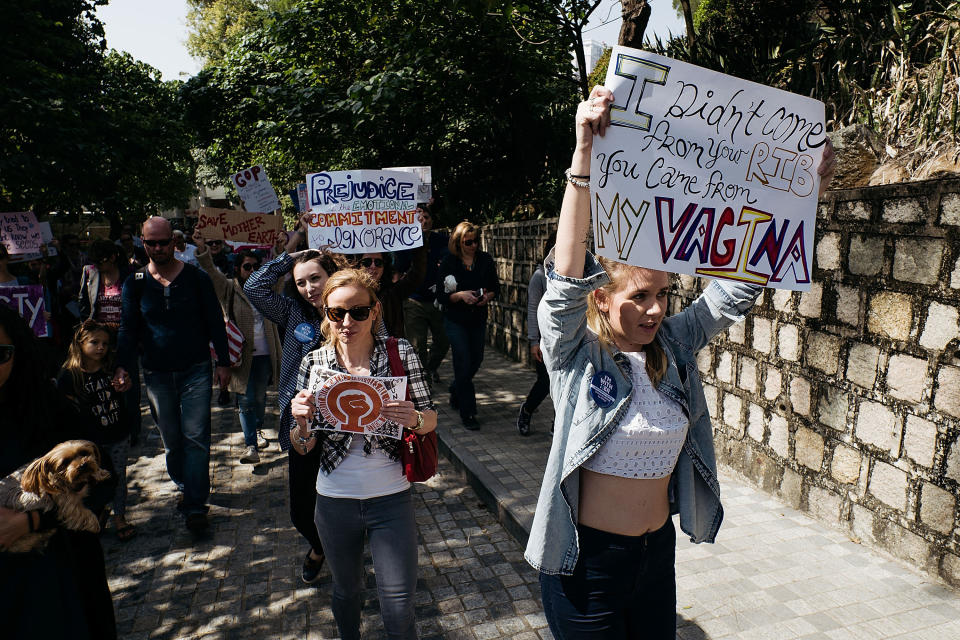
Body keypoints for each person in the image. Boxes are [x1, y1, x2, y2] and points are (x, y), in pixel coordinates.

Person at [525, 86, 837, 639]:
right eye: (639, 296)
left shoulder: (673, 344)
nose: (654, 310)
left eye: (663, 295)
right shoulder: (577, 354)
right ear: (601, 296)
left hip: (655, 557)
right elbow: (565, 276)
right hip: (587, 563)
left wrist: (804, 195)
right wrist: (582, 156)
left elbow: (737, 287)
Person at [290, 268, 437, 640]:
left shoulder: (400, 352)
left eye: (357, 311)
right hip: (335, 498)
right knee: (346, 591)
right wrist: (302, 422)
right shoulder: (314, 363)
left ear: (375, 312)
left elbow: (432, 419)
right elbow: (302, 446)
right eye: (336, 312)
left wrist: (415, 418)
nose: (347, 321)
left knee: (399, 603)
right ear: (326, 314)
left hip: (391, 496)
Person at [0, 306, 117, 639]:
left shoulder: (49, 409)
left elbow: (103, 479)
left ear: (19, 353)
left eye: (0, 354)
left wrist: (31, 521)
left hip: (59, 586)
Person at [113, 216, 231, 533]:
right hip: (156, 373)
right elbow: (128, 328)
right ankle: (184, 482)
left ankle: (195, 505)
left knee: (196, 438)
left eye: (163, 242)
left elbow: (214, 322)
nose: (158, 248)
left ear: (174, 242)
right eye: (150, 243)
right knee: (173, 441)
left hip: (195, 370)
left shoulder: (196, 278)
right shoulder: (134, 282)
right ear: (142, 242)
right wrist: (122, 365)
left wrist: (223, 361)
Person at [244, 234, 345, 583]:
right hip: (302, 422)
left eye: (315, 278)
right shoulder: (292, 311)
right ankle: (319, 546)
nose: (308, 288)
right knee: (301, 510)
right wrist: (292, 256)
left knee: (347, 499)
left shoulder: (355, 310)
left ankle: (346, 552)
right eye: (300, 282)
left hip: (347, 423)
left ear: (330, 275)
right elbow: (254, 287)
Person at [195, 229, 281, 465]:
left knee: (261, 398)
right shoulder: (229, 289)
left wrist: (287, 243)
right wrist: (202, 248)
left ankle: (259, 428)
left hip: (265, 355)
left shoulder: (268, 289)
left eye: (256, 266)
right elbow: (211, 272)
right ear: (238, 269)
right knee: (245, 400)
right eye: (247, 267)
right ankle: (250, 445)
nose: (252, 271)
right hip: (240, 356)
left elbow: (283, 273)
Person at [56, 319, 135, 541]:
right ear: (80, 343)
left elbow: (123, 391)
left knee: (118, 477)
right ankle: (96, 514)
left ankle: (120, 517)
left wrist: (124, 382)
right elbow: (65, 411)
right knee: (91, 480)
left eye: (105, 343)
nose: (101, 347)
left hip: (118, 434)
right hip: (90, 442)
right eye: (94, 342)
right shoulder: (69, 376)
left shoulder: (111, 368)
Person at [436, 221, 500, 429]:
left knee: (476, 359)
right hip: (455, 319)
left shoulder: (485, 260)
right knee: (462, 362)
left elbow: (494, 288)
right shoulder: (449, 262)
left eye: (475, 242)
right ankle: (468, 412)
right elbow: (441, 295)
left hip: (477, 318)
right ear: (458, 242)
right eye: (468, 242)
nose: (472, 246)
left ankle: (456, 388)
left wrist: (486, 297)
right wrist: (460, 295)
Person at [79, 239, 142, 444]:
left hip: (126, 337)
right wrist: (87, 325)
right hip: (99, 340)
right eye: (94, 261)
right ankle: (110, 427)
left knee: (128, 383)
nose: (97, 264)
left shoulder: (130, 275)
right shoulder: (90, 274)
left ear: (113, 258)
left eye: (101, 260)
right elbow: (83, 303)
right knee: (104, 384)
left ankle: (133, 429)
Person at [394, 205, 450, 384]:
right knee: (418, 345)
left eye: (426, 217)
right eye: (419, 217)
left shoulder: (443, 241)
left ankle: (430, 368)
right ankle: (423, 380)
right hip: (413, 301)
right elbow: (398, 269)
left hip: (437, 301)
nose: (423, 221)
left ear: (431, 219)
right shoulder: (405, 242)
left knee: (443, 341)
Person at [516, 231, 556, 436]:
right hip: (544, 340)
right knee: (546, 382)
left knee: (566, 383)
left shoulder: (576, 276)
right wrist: (534, 341)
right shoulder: (540, 277)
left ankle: (557, 424)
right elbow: (532, 309)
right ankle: (528, 409)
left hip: (567, 339)